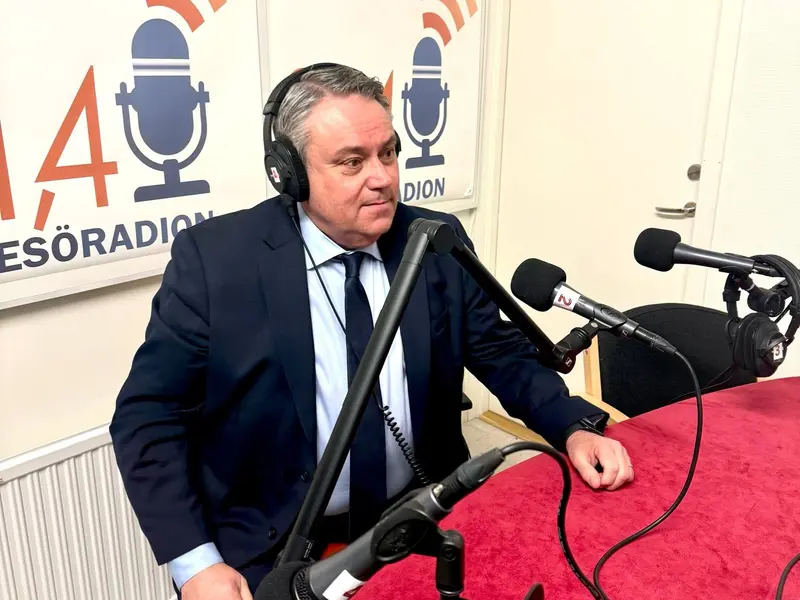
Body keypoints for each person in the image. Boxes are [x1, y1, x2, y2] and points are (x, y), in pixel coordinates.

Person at [110, 63, 634, 600]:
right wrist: (196, 564)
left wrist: (572, 426)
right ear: (289, 173)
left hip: (420, 519)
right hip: (275, 546)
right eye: (352, 162)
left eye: (388, 153)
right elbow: (148, 417)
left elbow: (500, 352)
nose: (382, 177)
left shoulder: (436, 239)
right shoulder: (216, 261)